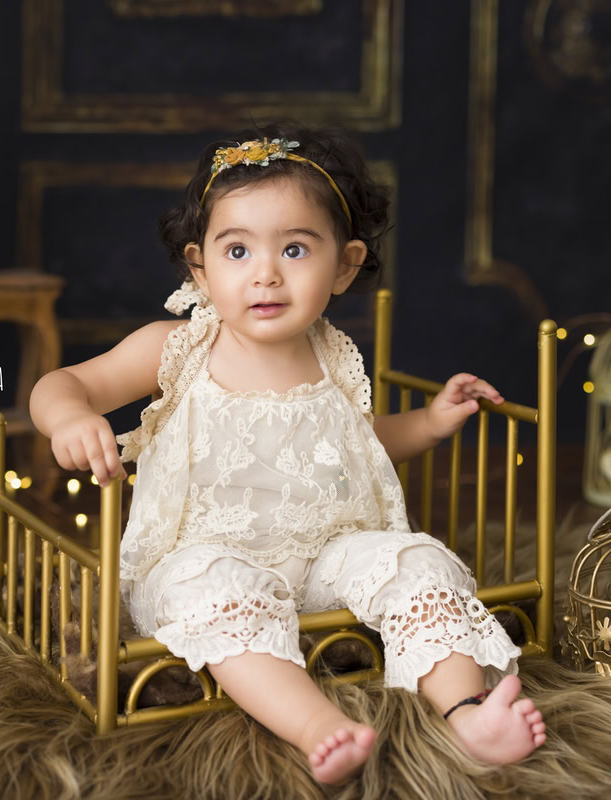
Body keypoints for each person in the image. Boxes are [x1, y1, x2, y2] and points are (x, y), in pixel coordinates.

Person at [28, 122, 546, 785]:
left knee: (418, 560)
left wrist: (429, 422)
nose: (266, 273)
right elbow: (64, 383)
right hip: (206, 555)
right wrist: (69, 416)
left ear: (345, 266)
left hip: (329, 557)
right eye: (237, 251)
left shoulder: (330, 356)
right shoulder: (179, 348)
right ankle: (318, 727)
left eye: (296, 249)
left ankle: (468, 711)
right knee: (212, 585)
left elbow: (352, 450)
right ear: (200, 266)